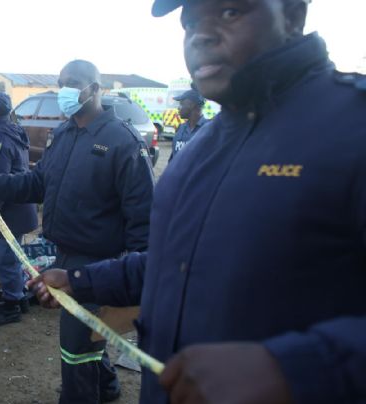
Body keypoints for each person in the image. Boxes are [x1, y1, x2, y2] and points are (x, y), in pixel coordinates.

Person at [29, 1, 366, 403]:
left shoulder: (352, 128)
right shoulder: (202, 147)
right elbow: (173, 260)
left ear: (292, 15)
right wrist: (84, 281)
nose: (200, 36)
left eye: (229, 12)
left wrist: (293, 369)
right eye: (190, 22)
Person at [0, 60, 154, 403]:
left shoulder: (122, 141)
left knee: (75, 348)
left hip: (99, 262)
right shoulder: (64, 133)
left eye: (74, 82)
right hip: (63, 252)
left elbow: (143, 215)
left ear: (96, 89)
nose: (65, 89)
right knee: (88, 338)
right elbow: (40, 183)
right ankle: (108, 387)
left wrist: (134, 277)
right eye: (61, 82)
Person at [0, 92, 38, 326]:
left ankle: (12, 305)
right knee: (14, 255)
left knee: (5, 259)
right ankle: (19, 297)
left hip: (8, 212)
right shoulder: (15, 130)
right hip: (22, 206)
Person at [168, 89, 209, 162]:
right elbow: (172, 159)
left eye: (181, 104)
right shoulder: (180, 128)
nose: (178, 108)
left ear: (191, 105)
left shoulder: (209, 130)